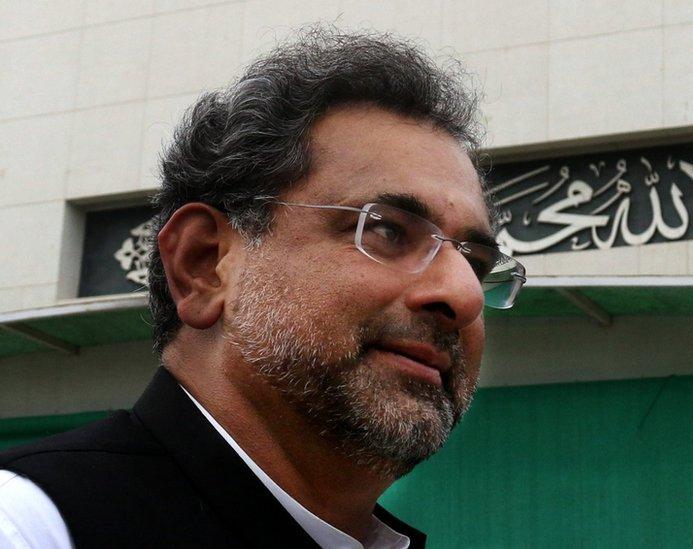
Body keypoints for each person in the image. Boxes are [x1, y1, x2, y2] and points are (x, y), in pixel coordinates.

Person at [0, 28, 525, 548]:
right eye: (387, 229)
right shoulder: (30, 526)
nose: (464, 294)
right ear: (205, 265)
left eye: (475, 262)